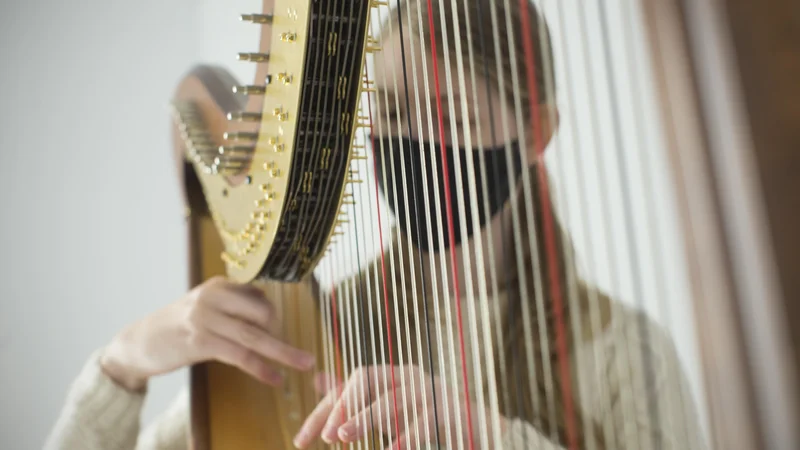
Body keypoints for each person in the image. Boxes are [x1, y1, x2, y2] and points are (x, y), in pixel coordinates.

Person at [46, 0, 706, 449]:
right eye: (389, 113)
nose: (416, 142)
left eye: (453, 119)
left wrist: (487, 435)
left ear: (536, 132)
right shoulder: (303, 336)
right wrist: (123, 364)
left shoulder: (629, 353)